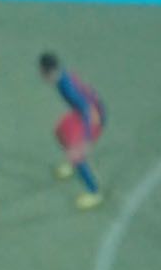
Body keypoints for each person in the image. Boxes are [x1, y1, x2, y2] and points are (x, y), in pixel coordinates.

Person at [40, 52, 109, 207]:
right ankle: (71, 165)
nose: (41, 76)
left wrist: (87, 140)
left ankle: (94, 193)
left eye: (42, 73)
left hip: (94, 117)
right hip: (82, 112)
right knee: (60, 131)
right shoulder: (61, 75)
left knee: (76, 154)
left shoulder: (67, 87)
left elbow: (86, 109)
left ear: (49, 72)